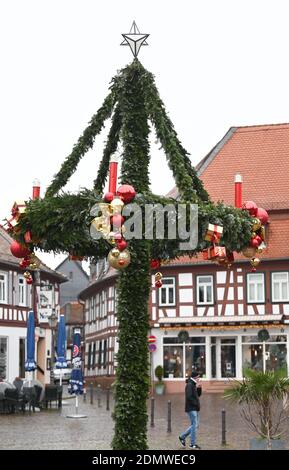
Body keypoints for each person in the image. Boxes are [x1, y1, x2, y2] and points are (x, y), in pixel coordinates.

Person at [179, 371, 202, 449]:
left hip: (194, 408)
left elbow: (197, 395)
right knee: (194, 425)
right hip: (191, 408)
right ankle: (192, 444)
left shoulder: (193, 384)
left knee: (195, 425)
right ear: (195, 377)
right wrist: (196, 404)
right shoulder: (189, 385)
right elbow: (189, 397)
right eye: (198, 376)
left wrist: (199, 388)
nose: (199, 378)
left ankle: (182, 437)